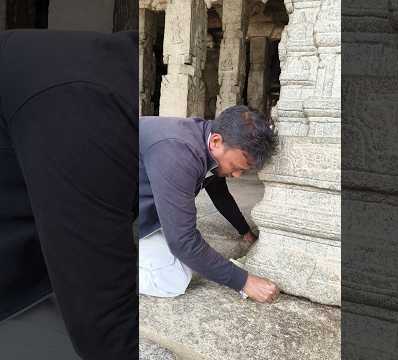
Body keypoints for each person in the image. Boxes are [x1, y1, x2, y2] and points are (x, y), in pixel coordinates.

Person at [0, 30, 138, 359]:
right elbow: (107, 321)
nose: (238, 177)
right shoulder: (88, 102)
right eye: (240, 167)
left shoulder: (108, 76)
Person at [139, 105, 280, 303]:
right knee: (173, 279)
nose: (238, 175)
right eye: (236, 167)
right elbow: (183, 242)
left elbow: (220, 195)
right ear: (216, 141)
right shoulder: (179, 153)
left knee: (187, 262)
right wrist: (244, 281)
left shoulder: (206, 142)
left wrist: (245, 232)